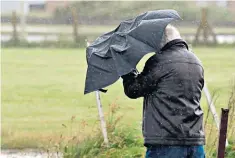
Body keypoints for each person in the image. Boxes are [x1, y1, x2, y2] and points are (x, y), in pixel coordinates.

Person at [122, 24, 205, 158]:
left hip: (166, 142)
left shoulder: (159, 61)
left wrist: (127, 69)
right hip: (195, 141)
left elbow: (134, 90)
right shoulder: (196, 61)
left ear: (161, 41)